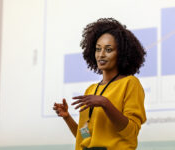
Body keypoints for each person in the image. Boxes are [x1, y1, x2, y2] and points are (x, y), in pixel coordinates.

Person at [53, 18, 147, 150]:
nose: (101, 55)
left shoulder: (130, 83)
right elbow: (85, 138)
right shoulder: (91, 90)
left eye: (108, 50)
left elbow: (130, 133)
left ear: (121, 54)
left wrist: (105, 103)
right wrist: (67, 117)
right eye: (98, 49)